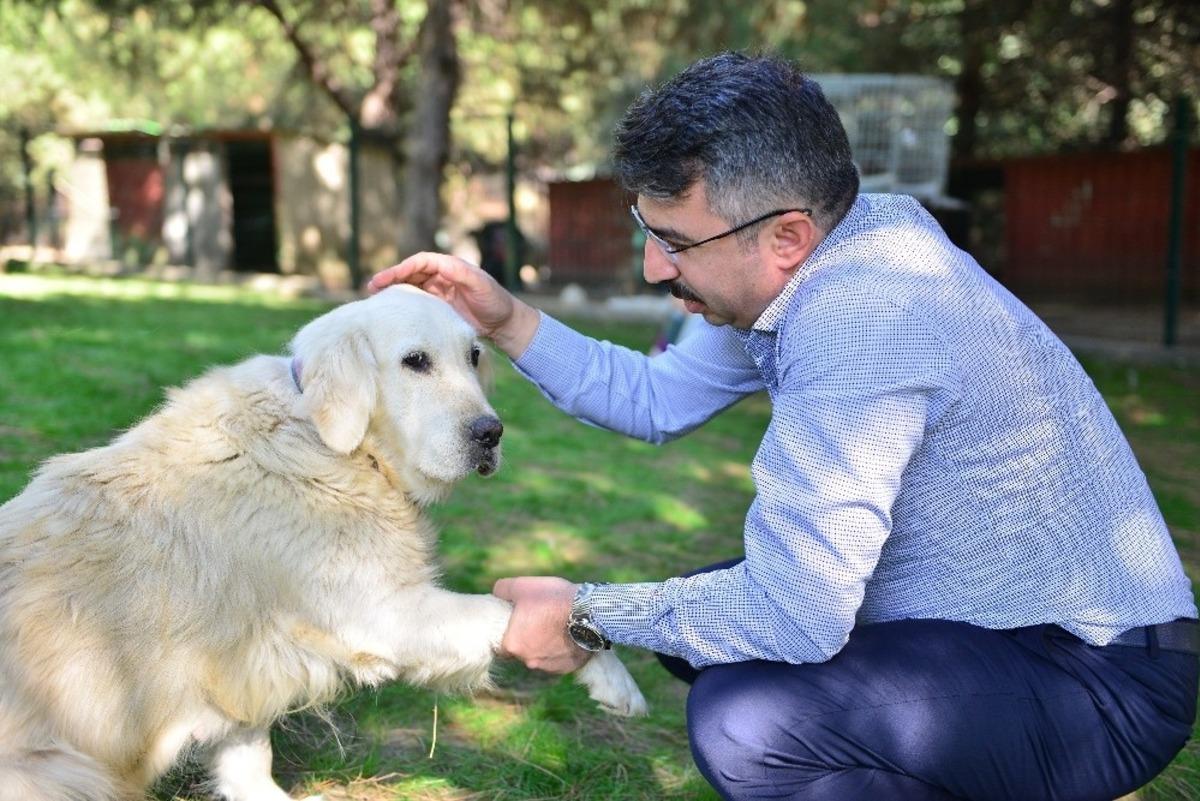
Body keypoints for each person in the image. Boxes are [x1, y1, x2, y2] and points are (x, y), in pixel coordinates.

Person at [369, 52, 1198, 801]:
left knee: (748, 721)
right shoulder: (814, 257)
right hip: (987, 619)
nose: (656, 266)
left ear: (787, 236)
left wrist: (587, 613)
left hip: (1098, 675)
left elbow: (794, 611)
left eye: (674, 240)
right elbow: (658, 398)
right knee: (702, 633)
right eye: (646, 229)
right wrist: (506, 318)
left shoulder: (866, 317)